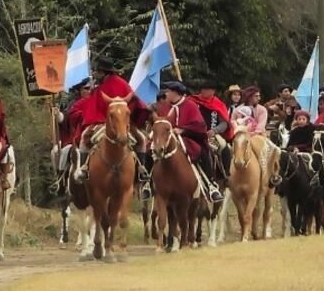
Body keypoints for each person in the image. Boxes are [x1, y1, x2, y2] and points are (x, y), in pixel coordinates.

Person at [77, 58, 150, 186]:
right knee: (142, 140)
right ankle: (84, 169)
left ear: (103, 72)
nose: (95, 74)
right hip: (104, 122)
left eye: (97, 72)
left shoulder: (119, 85)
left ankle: (141, 170)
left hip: (118, 122)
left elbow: (131, 101)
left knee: (142, 140)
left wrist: (124, 119)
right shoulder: (103, 87)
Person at [158, 80, 223, 202]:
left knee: (202, 152)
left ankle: (211, 185)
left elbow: (200, 126)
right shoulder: (166, 106)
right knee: (151, 148)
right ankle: (148, 181)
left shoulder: (190, 105)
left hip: (189, 138)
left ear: (176, 93)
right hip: (167, 138)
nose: (166, 94)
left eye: (168, 91)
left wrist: (183, 130)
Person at [191, 81, 234, 179]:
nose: (205, 92)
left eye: (208, 89)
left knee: (224, 146)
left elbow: (225, 123)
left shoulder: (218, 104)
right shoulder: (193, 101)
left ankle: (225, 174)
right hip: (193, 133)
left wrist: (214, 131)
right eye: (203, 89)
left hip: (212, 134)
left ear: (213, 91)